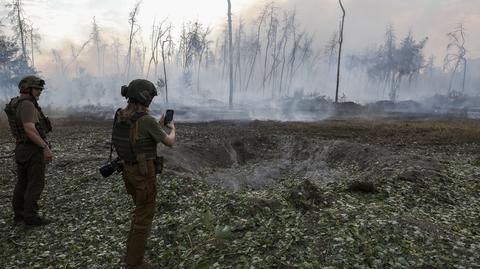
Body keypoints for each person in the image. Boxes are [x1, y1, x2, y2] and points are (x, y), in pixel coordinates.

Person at [112, 79, 175, 269]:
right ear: (145, 98)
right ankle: (134, 263)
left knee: (139, 213)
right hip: (143, 174)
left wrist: (158, 124)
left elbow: (138, 131)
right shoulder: (146, 120)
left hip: (128, 172)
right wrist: (172, 129)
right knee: (143, 218)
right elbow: (169, 142)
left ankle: (131, 256)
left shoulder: (120, 115)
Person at [4, 75, 54, 227]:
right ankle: (30, 217)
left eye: (40, 89)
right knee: (35, 183)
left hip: (21, 147)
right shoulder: (27, 105)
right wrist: (44, 147)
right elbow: (30, 129)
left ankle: (19, 215)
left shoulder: (15, 103)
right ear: (28, 89)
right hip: (31, 149)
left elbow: (18, 129)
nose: (39, 92)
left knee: (23, 182)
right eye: (37, 89)